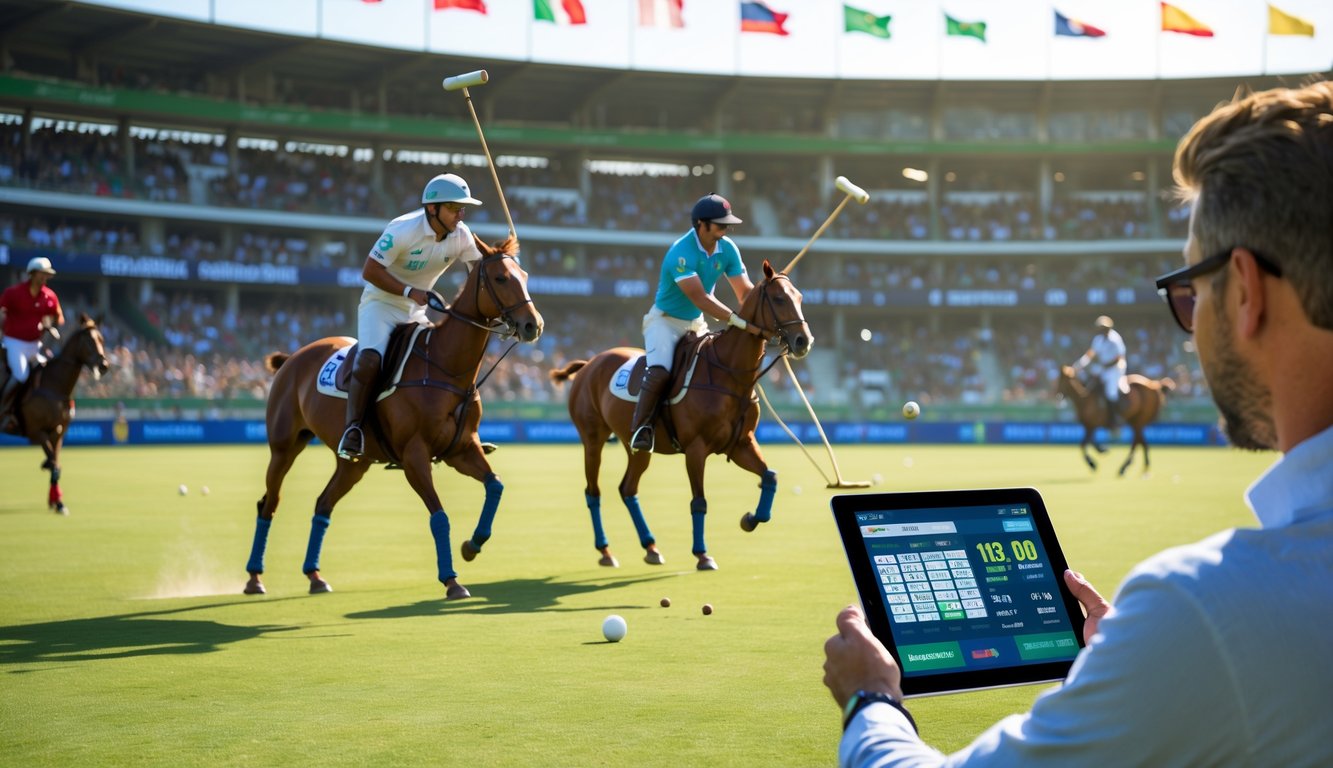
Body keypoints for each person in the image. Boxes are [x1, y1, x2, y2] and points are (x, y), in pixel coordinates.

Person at [824, 80, 1333, 767]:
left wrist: (871, 701)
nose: (1190, 326)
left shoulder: (1203, 609)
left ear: (1243, 291)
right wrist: (1139, 681)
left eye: (1191, 293)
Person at [336, 173, 486, 461]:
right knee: (370, 360)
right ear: (432, 208)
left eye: (463, 209)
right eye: (454, 208)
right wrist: (408, 290)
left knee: (445, 362)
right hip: (380, 305)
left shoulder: (462, 235)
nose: (461, 215)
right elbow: (369, 271)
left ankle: (457, 434)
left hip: (416, 310)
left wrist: (507, 261)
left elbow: (481, 273)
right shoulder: (403, 229)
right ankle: (353, 429)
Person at [629, 193, 755, 453]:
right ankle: (642, 428)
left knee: (719, 366)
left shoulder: (728, 248)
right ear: (701, 224)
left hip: (695, 323)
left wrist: (770, 292)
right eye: (720, 224)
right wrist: (736, 320)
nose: (725, 230)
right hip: (665, 322)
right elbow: (701, 298)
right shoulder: (681, 253)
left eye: (727, 225)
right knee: (661, 371)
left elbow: (745, 293)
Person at [0, 256, 64, 431]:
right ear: (32, 274)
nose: (45, 277)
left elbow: (59, 317)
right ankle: (4, 409)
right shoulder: (13, 293)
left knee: (46, 374)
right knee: (20, 375)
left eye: (47, 274)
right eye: (42, 274)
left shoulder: (49, 296)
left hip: (35, 345)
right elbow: (2, 312)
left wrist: (49, 325)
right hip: (14, 343)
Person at [1072, 314, 1126, 427]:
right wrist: (1079, 365)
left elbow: (1119, 358)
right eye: (1101, 328)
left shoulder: (1115, 340)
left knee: (1111, 393)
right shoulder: (1098, 339)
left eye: (1104, 328)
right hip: (1103, 368)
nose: (1102, 330)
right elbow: (1090, 355)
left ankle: (1114, 419)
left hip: (1115, 369)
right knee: (1089, 384)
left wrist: (1105, 367)